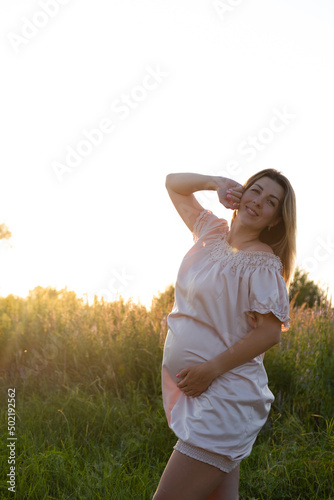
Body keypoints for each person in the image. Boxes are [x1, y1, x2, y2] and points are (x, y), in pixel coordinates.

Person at [153, 170, 296, 500]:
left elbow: (269, 335)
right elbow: (173, 184)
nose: (258, 202)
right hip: (204, 395)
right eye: (255, 191)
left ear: (275, 220)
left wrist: (209, 370)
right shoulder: (209, 231)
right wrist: (216, 183)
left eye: (270, 202)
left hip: (225, 397)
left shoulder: (263, 264)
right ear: (241, 194)